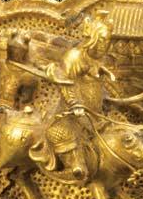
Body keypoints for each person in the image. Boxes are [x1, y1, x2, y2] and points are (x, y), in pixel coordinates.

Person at [44, 11, 115, 180]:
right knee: (69, 141)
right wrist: (74, 104)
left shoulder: (95, 57)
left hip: (94, 113)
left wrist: (104, 72)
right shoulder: (75, 57)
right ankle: (73, 172)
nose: (105, 46)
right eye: (102, 41)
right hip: (73, 114)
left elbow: (92, 69)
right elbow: (65, 81)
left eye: (107, 41)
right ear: (92, 39)